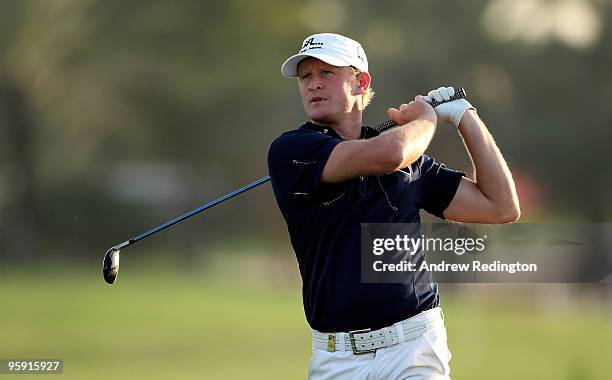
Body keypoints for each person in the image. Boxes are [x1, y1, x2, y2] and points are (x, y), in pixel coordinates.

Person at [268, 33, 520, 380]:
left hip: (414, 347)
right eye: (306, 76)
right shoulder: (292, 150)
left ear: (361, 82)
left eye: (326, 73)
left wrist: (465, 117)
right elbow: (389, 155)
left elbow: (501, 206)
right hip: (337, 358)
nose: (313, 84)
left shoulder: (413, 160)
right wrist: (427, 118)